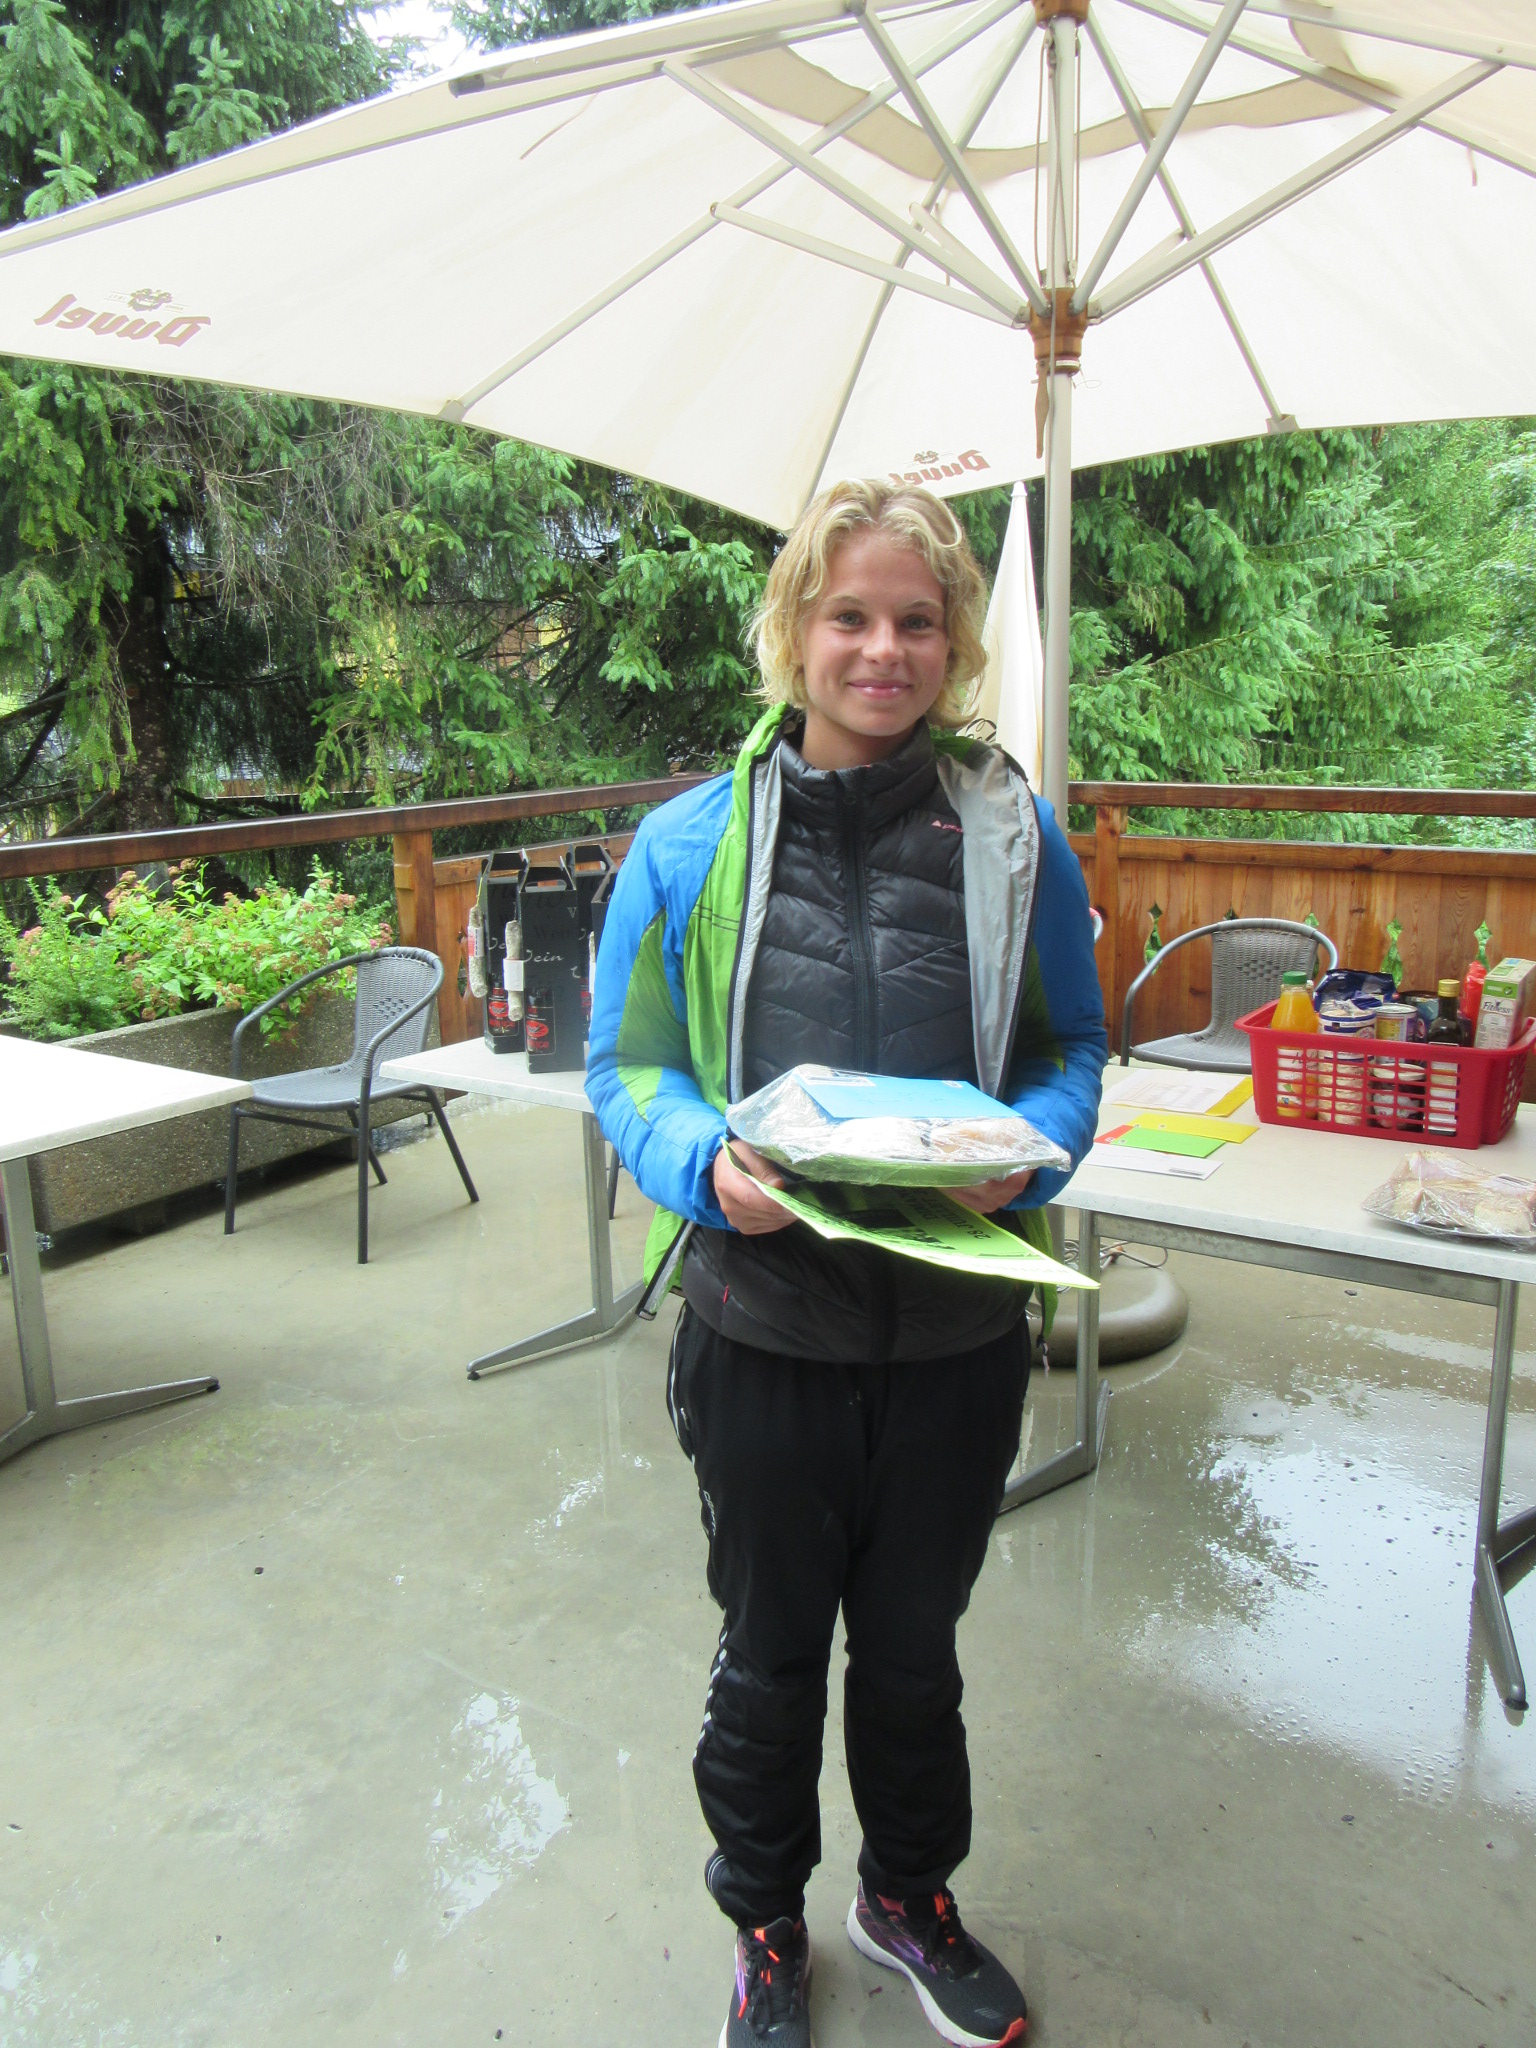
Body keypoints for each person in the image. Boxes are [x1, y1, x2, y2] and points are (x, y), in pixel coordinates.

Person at [587, 480, 1105, 2048]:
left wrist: (1038, 1147)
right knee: (767, 1657)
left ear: (954, 644)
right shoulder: (689, 843)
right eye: (851, 616)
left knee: (915, 1656)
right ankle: (764, 1923)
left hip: (956, 1339)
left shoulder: (1012, 835)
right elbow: (629, 1064)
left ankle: (906, 1898)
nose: (885, 650)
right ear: (794, 631)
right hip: (763, 1328)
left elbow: (1072, 1045)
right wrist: (699, 1162)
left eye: (918, 621)